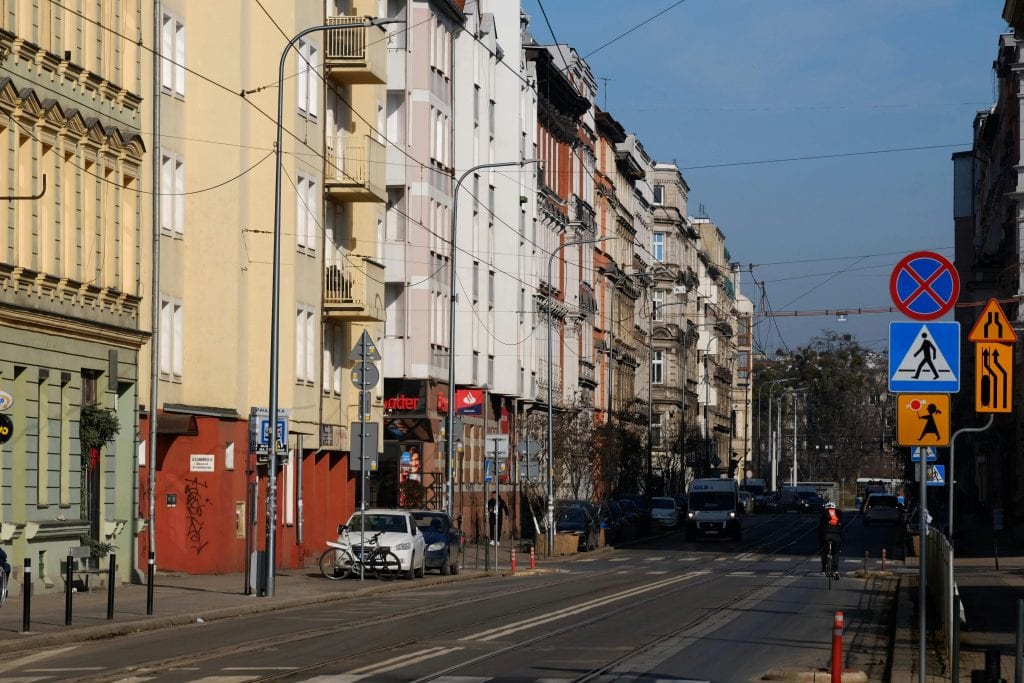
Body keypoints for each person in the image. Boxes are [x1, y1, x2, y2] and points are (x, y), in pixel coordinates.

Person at [819, 501, 843, 578]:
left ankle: (823, 569)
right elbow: (840, 526)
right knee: (835, 552)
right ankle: (835, 570)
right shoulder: (838, 513)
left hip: (826, 535)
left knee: (824, 551)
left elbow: (821, 526)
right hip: (836, 536)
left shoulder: (824, 513)